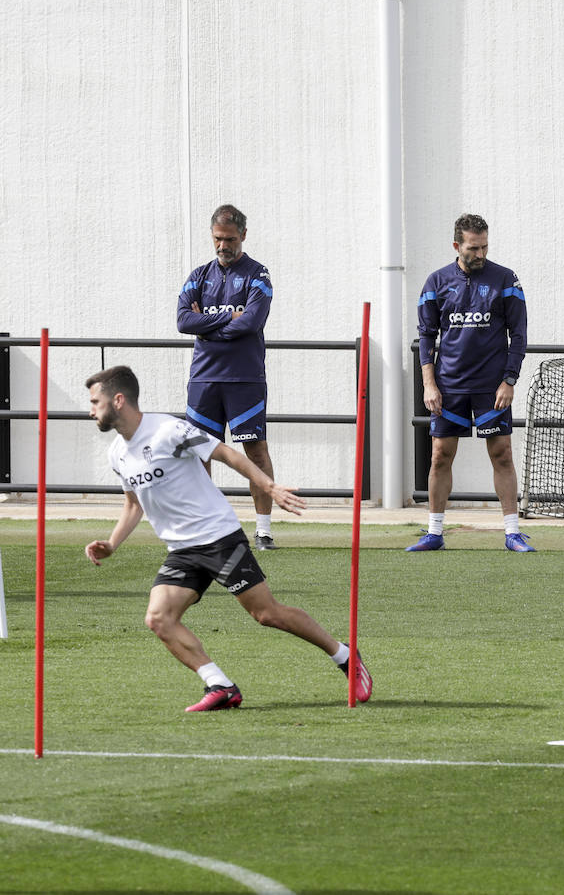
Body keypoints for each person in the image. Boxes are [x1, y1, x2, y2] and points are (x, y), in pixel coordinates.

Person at [82, 366, 371, 711]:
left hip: (219, 537)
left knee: (266, 614)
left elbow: (227, 454)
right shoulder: (117, 453)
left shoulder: (169, 431)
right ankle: (219, 685)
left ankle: (344, 655)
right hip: (181, 550)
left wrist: (270, 486)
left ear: (118, 400)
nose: (91, 410)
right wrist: (112, 543)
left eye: (95, 402)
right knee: (159, 618)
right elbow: (133, 505)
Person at [409, 214, 533, 552]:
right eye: (473, 248)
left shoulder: (505, 279)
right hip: (449, 387)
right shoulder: (436, 282)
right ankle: (434, 533)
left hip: (492, 387)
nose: (480, 254)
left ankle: (512, 532)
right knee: (439, 456)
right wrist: (428, 384)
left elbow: (518, 335)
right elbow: (426, 338)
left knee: (502, 454)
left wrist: (509, 380)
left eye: (485, 247)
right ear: (456, 246)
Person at [175, 205, 281, 551]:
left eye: (231, 239)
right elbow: (182, 322)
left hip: (244, 379)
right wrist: (226, 321)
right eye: (218, 239)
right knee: (200, 453)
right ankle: (209, 530)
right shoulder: (198, 276)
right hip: (204, 381)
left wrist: (207, 325)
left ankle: (263, 530)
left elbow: (251, 322)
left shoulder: (258, 275)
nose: (224, 246)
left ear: (244, 236)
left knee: (256, 451)